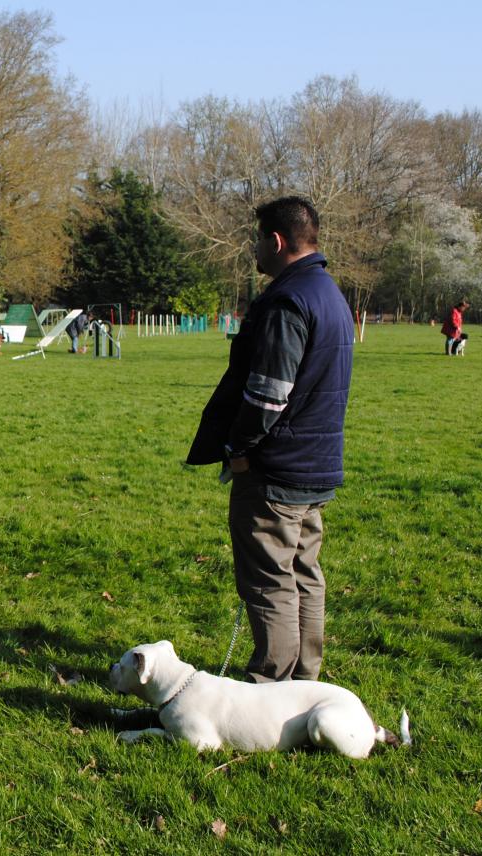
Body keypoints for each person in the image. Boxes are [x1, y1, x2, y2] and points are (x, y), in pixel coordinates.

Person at [186, 196, 353, 684]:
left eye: (257, 239)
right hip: (315, 463)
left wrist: (238, 449)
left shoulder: (287, 300)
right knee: (304, 575)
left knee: (269, 581)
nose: (254, 248)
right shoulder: (329, 293)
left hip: (276, 469)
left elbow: (267, 395)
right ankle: (304, 681)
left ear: (276, 242)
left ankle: (270, 685)